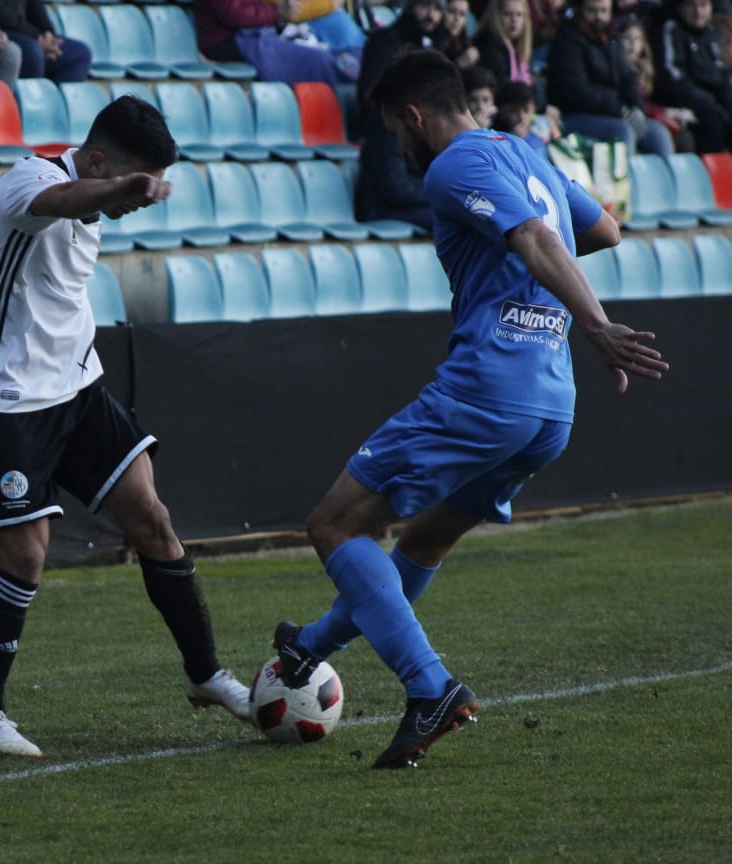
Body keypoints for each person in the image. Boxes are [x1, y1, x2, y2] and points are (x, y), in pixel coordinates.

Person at [272, 47, 667, 771]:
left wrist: (597, 324)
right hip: (550, 409)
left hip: (488, 388)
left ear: (417, 116)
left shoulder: (455, 163)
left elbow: (537, 237)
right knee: (422, 540)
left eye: (396, 130)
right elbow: (604, 230)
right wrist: (542, 272)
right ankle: (309, 649)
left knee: (333, 524)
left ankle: (431, 688)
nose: (398, 146)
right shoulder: (527, 152)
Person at [0, 95, 251, 757]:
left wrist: (120, 191)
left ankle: (205, 675)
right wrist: (118, 188)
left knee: (152, 517)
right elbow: (57, 203)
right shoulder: (32, 180)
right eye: (132, 183)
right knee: (26, 554)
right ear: (99, 160)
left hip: (77, 388)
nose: (138, 201)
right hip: (4, 400)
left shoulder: (96, 197)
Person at [547, 0, 674, 154]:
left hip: (613, 112)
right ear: (581, 11)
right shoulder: (568, 40)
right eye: (592, 11)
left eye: (603, 11)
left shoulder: (610, 39)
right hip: (576, 115)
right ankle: (626, 178)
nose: (598, 16)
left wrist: (637, 109)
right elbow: (576, 91)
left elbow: (627, 80)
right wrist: (621, 110)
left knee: (658, 133)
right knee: (623, 132)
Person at [192, 0, 351, 86]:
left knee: (325, 56)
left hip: (259, 33)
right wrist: (278, 12)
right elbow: (234, 15)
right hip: (229, 40)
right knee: (318, 60)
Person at [652, 0, 732, 152]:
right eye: (692, 5)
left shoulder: (711, 35)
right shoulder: (671, 30)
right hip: (686, 100)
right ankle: (711, 171)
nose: (698, 12)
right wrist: (708, 101)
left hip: (713, 100)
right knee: (712, 121)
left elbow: (723, 74)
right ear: (680, 7)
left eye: (703, 6)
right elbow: (672, 76)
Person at [619, 14, 697, 151]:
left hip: (645, 115)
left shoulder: (645, 68)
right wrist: (666, 113)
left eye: (637, 39)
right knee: (660, 133)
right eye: (627, 38)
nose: (632, 44)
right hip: (626, 116)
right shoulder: (616, 67)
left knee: (685, 135)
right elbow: (635, 104)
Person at [0, 0, 90, 83]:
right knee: (33, 52)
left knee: (79, 54)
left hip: (28, 33)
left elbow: (36, 6)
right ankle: (32, 104)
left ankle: (53, 106)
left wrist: (47, 32)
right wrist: (36, 36)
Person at [474, 0, 534, 85]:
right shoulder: (490, 43)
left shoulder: (516, 47)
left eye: (519, 14)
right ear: (496, 16)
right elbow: (502, 83)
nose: (514, 20)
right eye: (507, 14)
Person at [439, 0, 481, 69]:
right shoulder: (434, 41)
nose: (457, 19)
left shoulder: (467, 44)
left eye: (462, 14)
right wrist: (460, 63)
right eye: (452, 12)